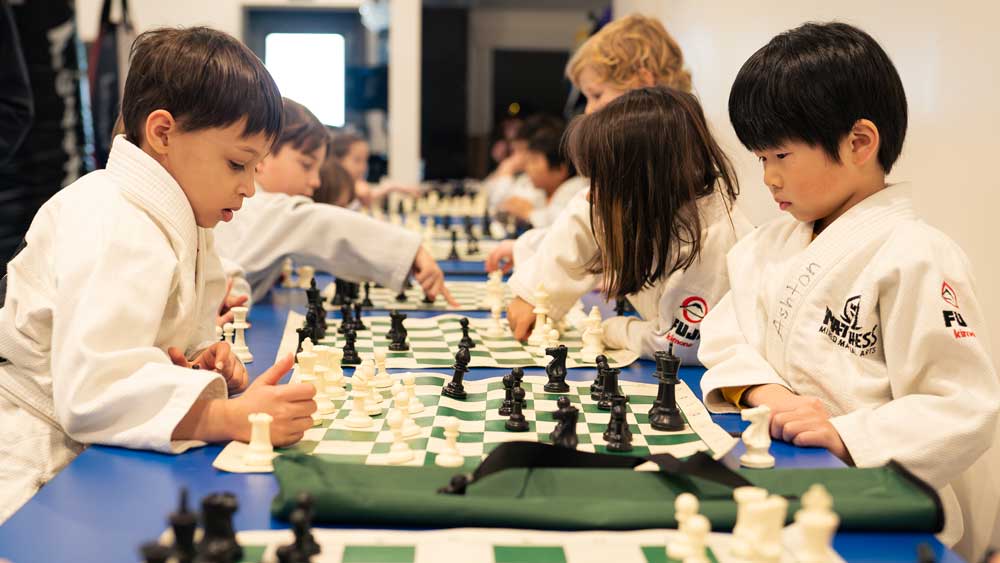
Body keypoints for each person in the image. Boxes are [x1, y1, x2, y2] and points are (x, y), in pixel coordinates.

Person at [698, 22, 999, 559]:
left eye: (781, 157)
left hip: (880, 499)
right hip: (781, 468)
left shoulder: (917, 254)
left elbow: (963, 407)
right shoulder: (769, 246)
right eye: (761, 158)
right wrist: (773, 398)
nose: (768, 178)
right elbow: (724, 335)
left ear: (859, 142)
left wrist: (848, 434)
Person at [0, 27, 316, 523]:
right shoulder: (113, 217)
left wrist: (199, 360)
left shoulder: (180, 213)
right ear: (163, 132)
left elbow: (158, 341)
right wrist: (227, 415)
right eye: (237, 163)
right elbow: (92, 392)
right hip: (24, 462)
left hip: (79, 447)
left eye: (255, 168)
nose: (250, 188)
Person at [520, 86, 749, 365]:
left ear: (643, 180)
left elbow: (681, 345)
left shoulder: (711, 238)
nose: (592, 195)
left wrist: (614, 329)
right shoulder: (665, 209)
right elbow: (578, 235)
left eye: (604, 181)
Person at [214, 99, 455, 305]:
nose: (316, 181)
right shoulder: (259, 207)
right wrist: (411, 251)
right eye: (306, 165)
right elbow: (319, 223)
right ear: (262, 155)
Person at [497, 116, 587, 228]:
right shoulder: (546, 190)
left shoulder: (574, 189)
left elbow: (559, 227)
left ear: (560, 169)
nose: (527, 167)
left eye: (534, 161)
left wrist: (528, 212)